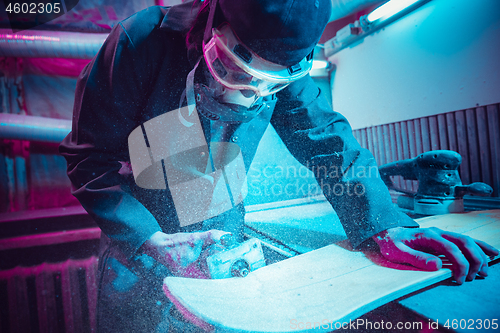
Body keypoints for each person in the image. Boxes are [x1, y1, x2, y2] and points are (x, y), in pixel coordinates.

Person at [59, 0, 499, 332]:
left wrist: (386, 225)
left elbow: (328, 143)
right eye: (236, 70)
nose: (245, 95)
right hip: (138, 249)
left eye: (267, 87)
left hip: (222, 247)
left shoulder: (282, 58)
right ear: (214, 19)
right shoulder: (141, 42)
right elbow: (89, 158)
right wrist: (151, 238)